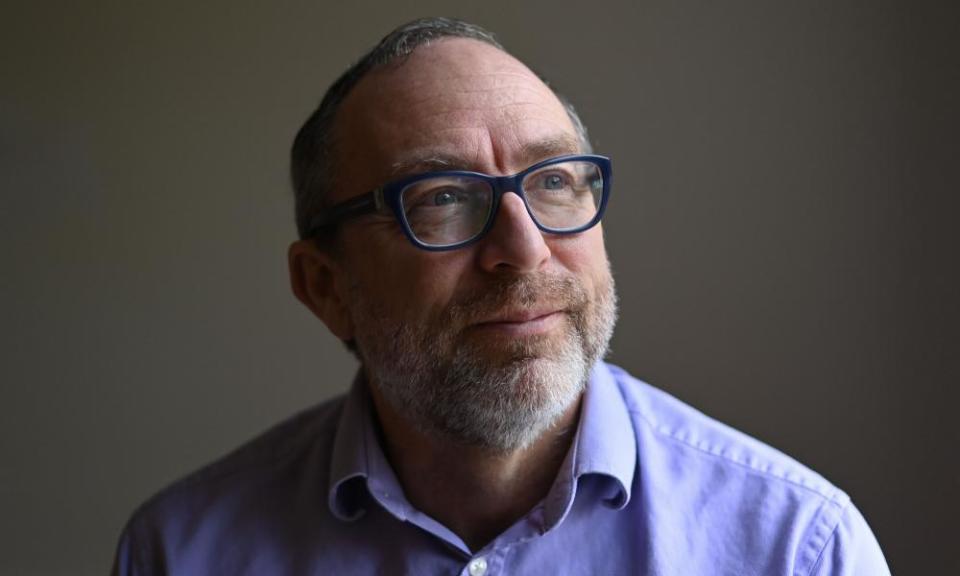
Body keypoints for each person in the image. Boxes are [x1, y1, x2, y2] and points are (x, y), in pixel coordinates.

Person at [112, 17, 890, 575]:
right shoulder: (179, 554)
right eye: (444, 197)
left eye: (553, 182)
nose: (523, 249)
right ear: (326, 287)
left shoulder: (798, 548)